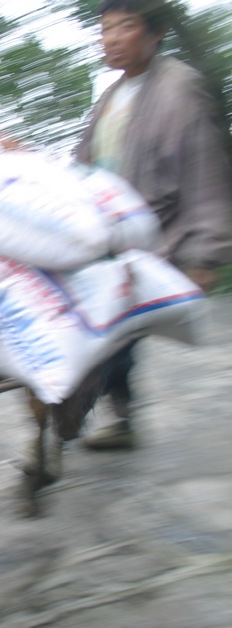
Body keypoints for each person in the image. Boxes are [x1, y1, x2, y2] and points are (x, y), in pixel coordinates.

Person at [73, 0, 232, 449]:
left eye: (126, 27)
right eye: (105, 30)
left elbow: (206, 173)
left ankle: (117, 417)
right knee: (101, 328)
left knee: (117, 329)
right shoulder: (110, 96)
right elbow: (83, 163)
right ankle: (114, 414)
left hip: (153, 235)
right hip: (104, 235)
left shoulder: (180, 88)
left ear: (154, 32)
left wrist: (206, 254)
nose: (113, 38)